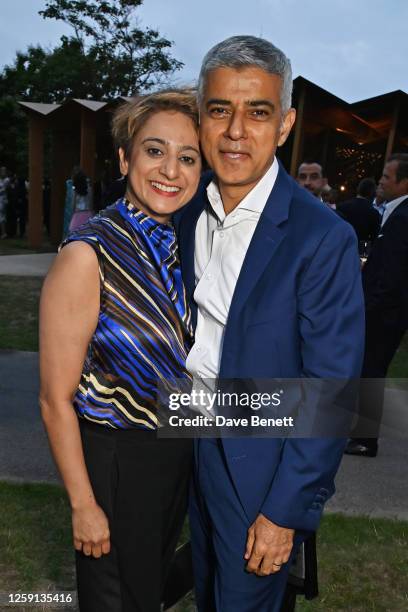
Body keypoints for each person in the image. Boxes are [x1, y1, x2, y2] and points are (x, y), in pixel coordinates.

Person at [175, 35, 365, 611]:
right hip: (188, 440)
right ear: (201, 119)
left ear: (283, 126)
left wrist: (285, 511)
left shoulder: (321, 237)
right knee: (206, 591)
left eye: (257, 112)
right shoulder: (185, 211)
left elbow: (331, 393)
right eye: (219, 110)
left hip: (261, 467)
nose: (236, 131)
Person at [39, 89, 202, 612]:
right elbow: (53, 399)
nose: (170, 170)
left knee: (149, 592)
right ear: (125, 157)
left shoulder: (187, 248)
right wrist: (83, 505)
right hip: (115, 462)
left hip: (175, 452)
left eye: (188, 157)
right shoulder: (89, 253)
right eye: (155, 150)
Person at [346, 153, 408, 457]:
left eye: (386, 176)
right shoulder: (393, 213)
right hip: (384, 310)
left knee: (371, 372)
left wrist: (370, 308)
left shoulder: (403, 217)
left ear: (403, 182)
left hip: (384, 314)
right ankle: (361, 433)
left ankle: (366, 439)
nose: (381, 181)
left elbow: (393, 274)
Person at [337, 177, 381, 242]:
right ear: (373, 193)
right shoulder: (373, 213)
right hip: (361, 250)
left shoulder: (342, 207)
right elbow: (375, 239)